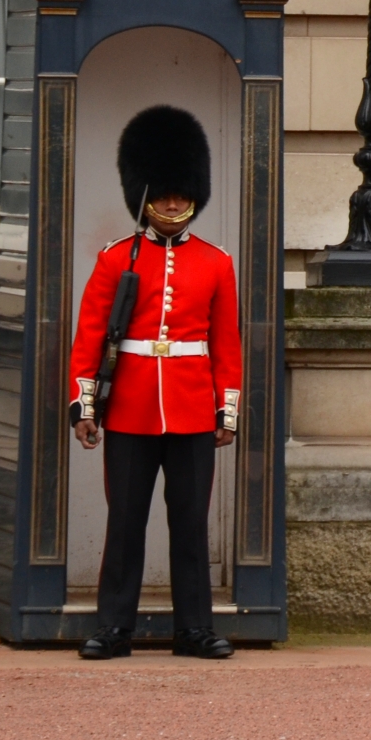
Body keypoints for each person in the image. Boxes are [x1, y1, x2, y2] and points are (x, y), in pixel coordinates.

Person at [69, 104, 241, 661]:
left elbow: (226, 344)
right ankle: (114, 627)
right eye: (163, 192)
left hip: (192, 409)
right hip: (131, 410)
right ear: (143, 193)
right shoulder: (116, 258)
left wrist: (227, 410)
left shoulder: (217, 263)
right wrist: (85, 405)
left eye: (181, 192)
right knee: (125, 523)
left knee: (190, 526)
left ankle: (194, 629)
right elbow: (89, 338)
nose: (172, 202)